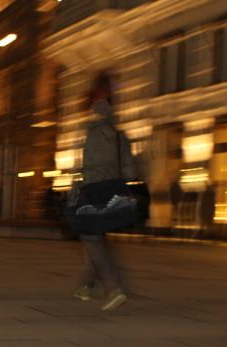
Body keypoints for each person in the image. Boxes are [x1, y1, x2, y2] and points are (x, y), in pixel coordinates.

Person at [73, 72, 135, 311]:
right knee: (98, 237)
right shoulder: (120, 132)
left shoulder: (93, 127)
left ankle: (113, 288)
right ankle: (86, 285)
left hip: (94, 189)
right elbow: (130, 171)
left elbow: (86, 165)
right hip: (115, 191)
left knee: (90, 236)